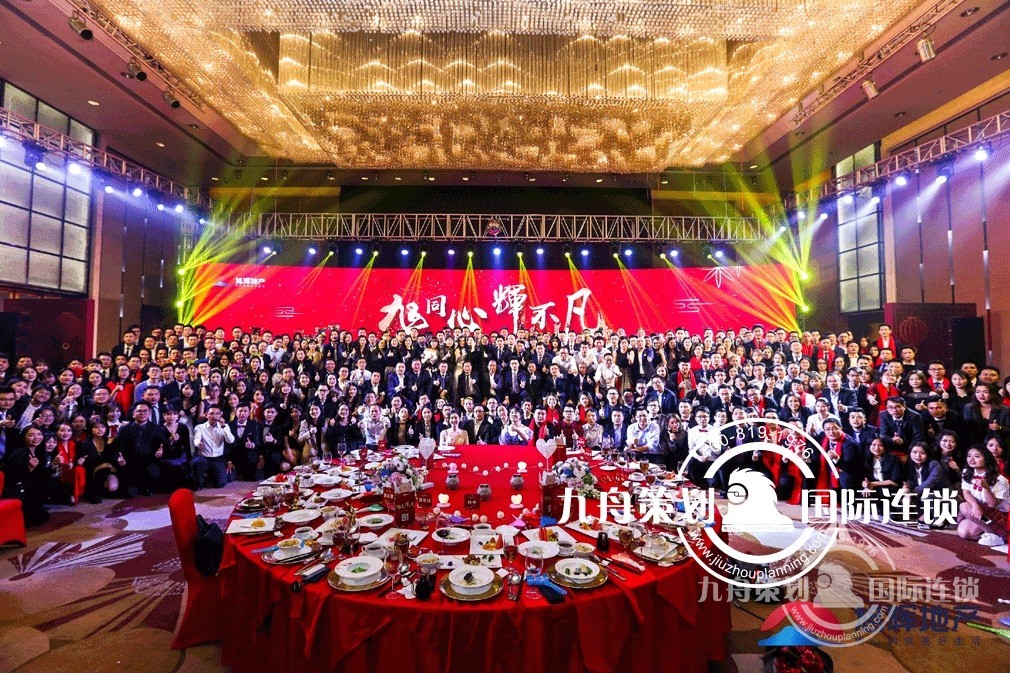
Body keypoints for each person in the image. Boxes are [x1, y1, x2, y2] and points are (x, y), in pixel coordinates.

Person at [957, 444, 1009, 543]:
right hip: (981, 511)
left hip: (999, 514)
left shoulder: (1000, 480)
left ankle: (996, 535)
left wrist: (986, 487)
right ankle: (990, 531)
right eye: (969, 456)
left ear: (986, 458)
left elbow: (992, 504)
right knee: (964, 532)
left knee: (964, 506)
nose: (971, 459)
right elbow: (966, 492)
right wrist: (975, 506)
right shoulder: (967, 473)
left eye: (976, 456)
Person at [115, 402, 169, 496]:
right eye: (139, 411)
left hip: (149, 461)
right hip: (130, 463)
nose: (142, 413)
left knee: (153, 476)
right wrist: (119, 458)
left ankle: (146, 486)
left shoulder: (157, 428)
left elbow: (164, 445)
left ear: (149, 413)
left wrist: (161, 452)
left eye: (145, 411)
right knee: (130, 493)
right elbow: (117, 447)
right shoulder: (124, 429)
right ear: (133, 414)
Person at [192, 405, 235, 489]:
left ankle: (211, 476)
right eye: (211, 413)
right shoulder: (200, 427)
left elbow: (230, 441)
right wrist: (198, 444)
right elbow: (196, 439)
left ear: (220, 415)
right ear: (206, 415)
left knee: (221, 484)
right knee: (198, 462)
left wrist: (224, 427)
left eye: (217, 414)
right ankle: (200, 482)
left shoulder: (225, 426)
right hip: (204, 457)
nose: (214, 416)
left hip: (218, 458)